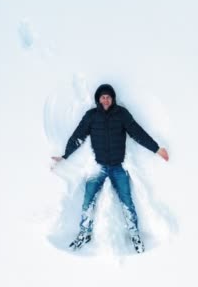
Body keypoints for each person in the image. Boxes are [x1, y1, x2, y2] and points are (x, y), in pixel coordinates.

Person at [51, 84, 169, 253]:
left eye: (108, 97)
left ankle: (134, 234)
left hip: (117, 167)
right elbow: (78, 136)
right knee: (88, 200)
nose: (105, 100)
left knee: (127, 201)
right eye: (102, 97)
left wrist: (156, 149)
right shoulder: (91, 116)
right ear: (98, 99)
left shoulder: (122, 114)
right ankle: (85, 233)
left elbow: (137, 132)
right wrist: (65, 155)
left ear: (112, 98)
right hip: (97, 166)